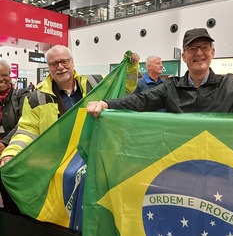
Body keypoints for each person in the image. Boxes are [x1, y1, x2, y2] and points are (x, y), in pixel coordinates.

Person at [0, 45, 139, 166]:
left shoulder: (96, 83)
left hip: (95, 156)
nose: (60, 67)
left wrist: (131, 68)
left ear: (72, 62)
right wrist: (10, 153)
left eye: (64, 61)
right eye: (54, 64)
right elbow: (27, 130)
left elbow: (124, 89)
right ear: (48, 67)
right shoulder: (36, 98)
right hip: (59, 163)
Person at [86, 27, 233, 117]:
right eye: (192, 49)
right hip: (181, 165)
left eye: (205, 47)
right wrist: (106, 103)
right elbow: (140, 100)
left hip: (223, 166)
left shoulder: (231, 85)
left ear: (212, 53)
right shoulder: (171, 87)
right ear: (184, 56)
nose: (199, 53)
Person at [0, 60, 29, 214]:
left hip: (15, 154)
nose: (1, 79)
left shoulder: (21, 96)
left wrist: (4, 143)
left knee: (13, 198)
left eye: (4, 75)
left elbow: (25, 122)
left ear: (10, 76)